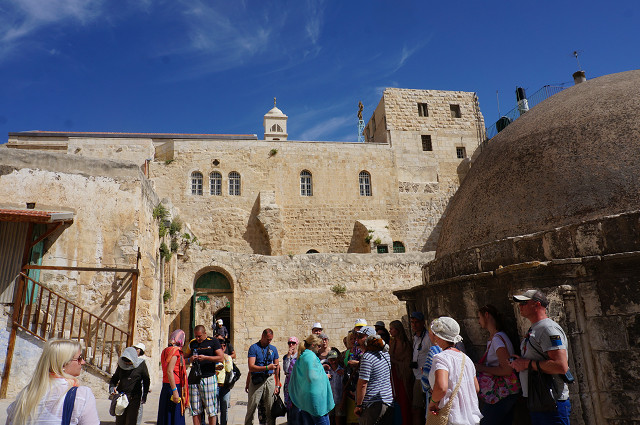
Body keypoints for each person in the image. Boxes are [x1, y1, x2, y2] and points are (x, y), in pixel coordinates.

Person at [510, 290, 571, 425]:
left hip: (551, 402)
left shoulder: (548, 329)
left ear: (537, 304)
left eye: (524, 303)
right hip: (539, 400)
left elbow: (561, 366)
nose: (520, 306)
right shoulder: (536, 328)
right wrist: (520, 361)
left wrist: (526, 363)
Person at [6, 339, 99, 425]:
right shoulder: (81, 396)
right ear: (63, 363)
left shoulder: (23, 398)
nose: (83, 362)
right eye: (79, 358)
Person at [427, 317, 481, 425]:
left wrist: (433, 402)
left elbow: (441, 387)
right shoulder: (466, 359)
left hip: (451, 418)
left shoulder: (441, 358)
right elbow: (476, 388)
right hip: (471, 419)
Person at [475, 304, 520, 425]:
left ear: (486, 315)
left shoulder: (497, 339)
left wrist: (481, 368)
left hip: (502, 393)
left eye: (479, 317)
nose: (478, 322)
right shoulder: (497, 337)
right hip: (505, 392)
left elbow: (506, 370)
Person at [289, 334, 335, 425]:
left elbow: (305, 372)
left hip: (305, 398)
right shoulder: (311, 356)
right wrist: (324, 376)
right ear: (313, 345)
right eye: (318, 346)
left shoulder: (303, 356)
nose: (319, 348)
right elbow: (312, 377)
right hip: (315, 399)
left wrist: (321, 368)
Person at [185, 325, 225, 425]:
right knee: (195, 409)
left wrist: (206, 358)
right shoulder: (192, 343)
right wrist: (190, 359)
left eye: (199, 336)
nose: (197, 339)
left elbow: (221, 358)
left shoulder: (213, 342)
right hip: (194, 379)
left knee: (211, 409)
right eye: (196, 336)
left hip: (208, 377)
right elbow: (183, 359)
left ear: (205, 333)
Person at [354, 329, 393, 425]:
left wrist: (359, 405)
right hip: (387, 402)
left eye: (360, 337)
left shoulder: (367, 357)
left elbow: (363, 384)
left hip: (372, 405)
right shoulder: (385, 354)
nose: (357, 339)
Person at [245, 328, 281, 425]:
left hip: (269, 379)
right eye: (268, 339)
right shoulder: (254, 348)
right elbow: (251, 367)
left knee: (270, 407)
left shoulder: (273, 349)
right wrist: (267, 367)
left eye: (271, 339)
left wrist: (277, 384)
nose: (269, 341)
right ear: (262, 336)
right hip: (257, 379)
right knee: (252, 407)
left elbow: (277, 367)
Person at [109, 346, 151, 425]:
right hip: (122, 396)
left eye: (129, 362)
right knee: (120, 420)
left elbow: (146, 380)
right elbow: (114, 378)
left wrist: (144, 395)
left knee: (131, 420)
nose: (127, 364)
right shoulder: (121, 365)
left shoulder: (141, 365)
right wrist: (112, 387)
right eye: (126, 362)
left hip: (134, 397)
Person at [158, 329, 189, 425]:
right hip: (174, 386)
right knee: (175, 417)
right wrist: (175, 391)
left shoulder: (165, 350)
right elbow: (170, 371)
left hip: (166, 385)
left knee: (166, 416)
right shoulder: (175, 351)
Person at [388, 320, 414, 424]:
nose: (390, 331)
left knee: (404, 401)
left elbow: (407, 364)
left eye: (392, 329)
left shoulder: (405, 345)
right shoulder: (392, 343)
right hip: (393, 376)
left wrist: (394, 361)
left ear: (397, 329)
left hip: (403, 377)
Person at [409, 311, 430, 425]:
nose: (414, 325)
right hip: (417, 375)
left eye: (416, 322)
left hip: (424, 377)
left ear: (423, 322)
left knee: (418, 409)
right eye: (412, 322)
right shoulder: (416, 337)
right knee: (417, 408)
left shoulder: (428, 337)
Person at [216, 340, 235, 425]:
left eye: (224, 346)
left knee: (224, 408)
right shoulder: (214, 357)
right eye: (220, 346)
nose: (222, 347)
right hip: (215, 385)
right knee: (215, 409)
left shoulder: (228, 357)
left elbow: (228, 369)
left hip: (225, 385)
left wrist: (226, 359)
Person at [326, 349, 345, 425]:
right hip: (329, 399)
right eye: (331, 360)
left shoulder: (342, 371)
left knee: (338, 419)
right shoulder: (327, 371)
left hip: (339, 399)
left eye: (334, 359)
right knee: (330, 419)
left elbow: (344, 387)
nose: (333, 362)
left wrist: (343, 402)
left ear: (337, 359)